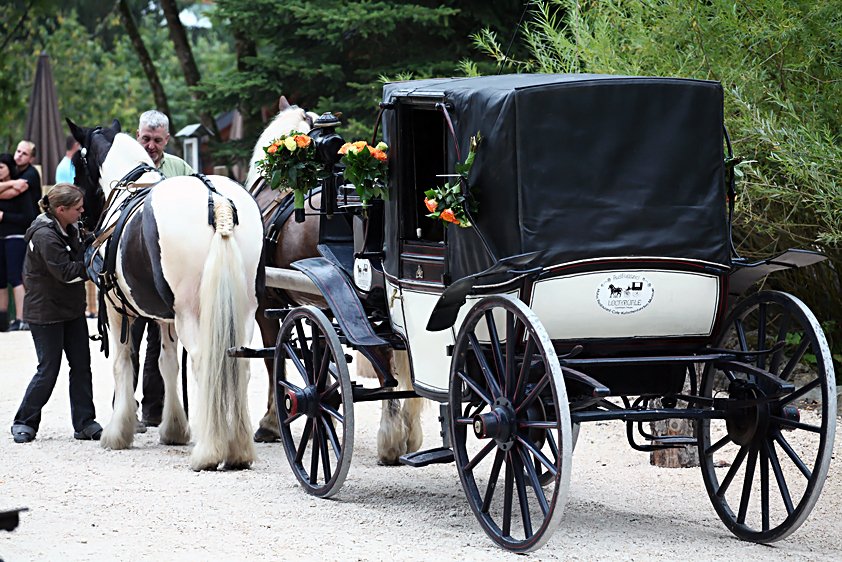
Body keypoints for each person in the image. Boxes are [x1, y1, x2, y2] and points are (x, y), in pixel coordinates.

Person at [10, 183, 102, 443]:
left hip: (71, 309)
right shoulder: (44, 235)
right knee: (48, 369)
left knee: (82, 366)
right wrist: (94, 266)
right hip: (45, 311)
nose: (82, 211)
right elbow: (66, 272)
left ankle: (85, 423)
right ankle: (24, 420)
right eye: (77, 208)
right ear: (60, 209)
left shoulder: (71, 226)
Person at [131, 110, 195, 428]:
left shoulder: (180, 169)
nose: (151, 145)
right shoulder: (126, 166)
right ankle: (125, 409)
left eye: (157, 140)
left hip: (165, 271)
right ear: (137, 135)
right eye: (145, 138)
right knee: (128, 341)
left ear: (167, 139)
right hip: (129, 273)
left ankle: (154, 411)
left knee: (161, 344)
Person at [0, 153, 36, 332]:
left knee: (15, 277)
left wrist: (4, 216)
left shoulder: (21, 190)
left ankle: (21, 319)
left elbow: (28, 218)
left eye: (1, 167)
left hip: (15, 237)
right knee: (0, 279)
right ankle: (2, 319)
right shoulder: (11, 187)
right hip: (0, 239)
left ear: (9, 168)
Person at [13, 141, 41, 216]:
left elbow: (14, 191)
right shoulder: (12, 169)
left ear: (31, 159)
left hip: (30, 219)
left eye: (24, 153)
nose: (19, 155)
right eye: (18, 151)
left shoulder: (31, 173)